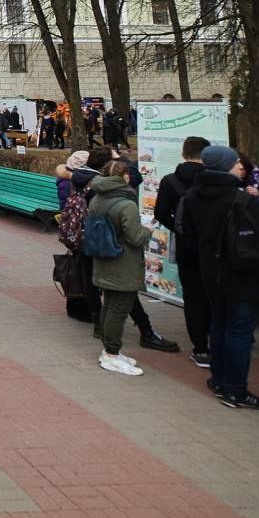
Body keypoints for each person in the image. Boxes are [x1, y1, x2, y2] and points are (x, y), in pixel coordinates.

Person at [182, 146, 259, 409]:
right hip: (242, 272)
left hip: (210, 271)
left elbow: (186, 233)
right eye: (236, 162)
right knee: (239, 331)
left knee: (220, 324)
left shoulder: (192, 195)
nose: (241, 166)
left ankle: (220, 379)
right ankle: (235, 389)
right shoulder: (241, 199)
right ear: (225, 165)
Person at [85, 152, 153, 376]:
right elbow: (136, 237)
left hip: (103, 258)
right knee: (119, 308)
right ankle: (111, 354)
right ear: (123, 177)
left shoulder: (97, 198)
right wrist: (148, 229)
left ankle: (109, 350)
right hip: (123, 261)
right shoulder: (126, 204)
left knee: (109, 305)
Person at [154, 136, 213, 366]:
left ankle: (200, 347)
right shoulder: (218, 180)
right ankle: (219, 339)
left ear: (183, 154)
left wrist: (179, 229)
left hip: (187, 246)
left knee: (193, 295)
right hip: (216, 245)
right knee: (215, 293)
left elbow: (160, 212)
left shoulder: (171, 181)